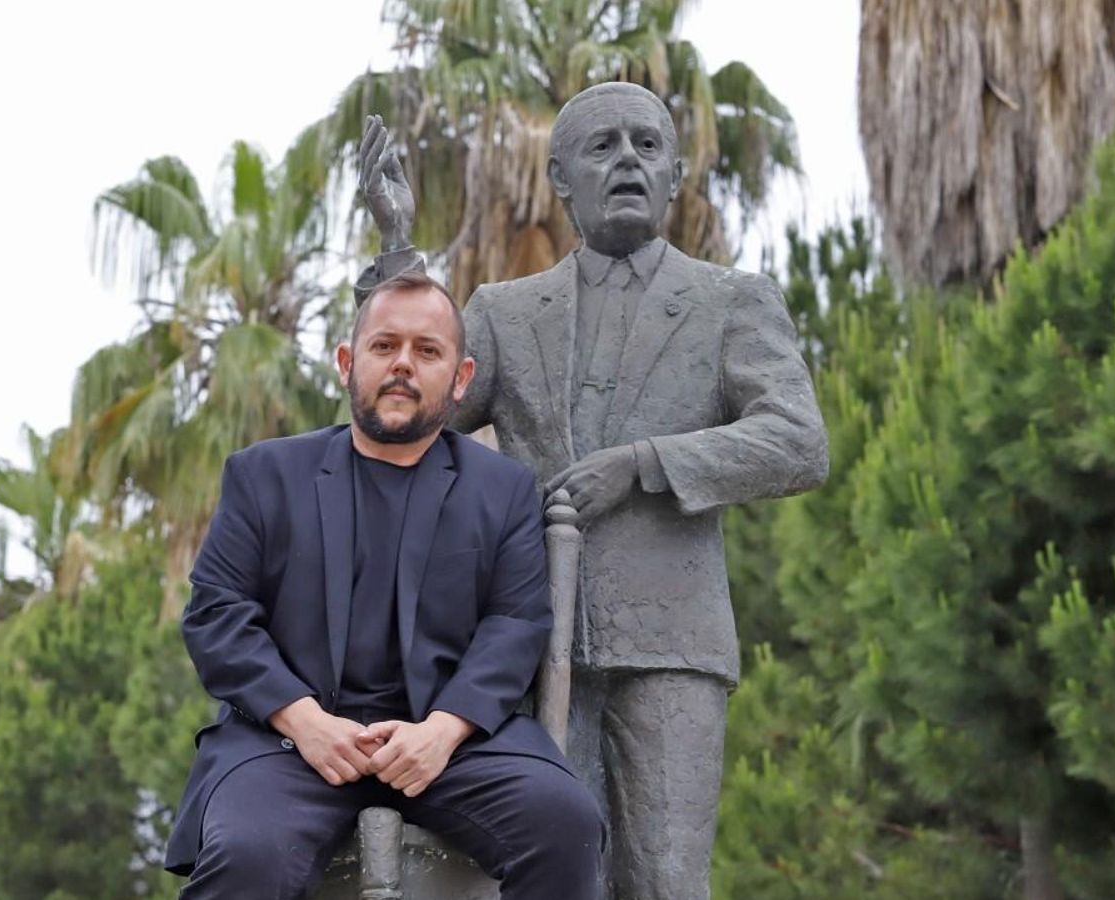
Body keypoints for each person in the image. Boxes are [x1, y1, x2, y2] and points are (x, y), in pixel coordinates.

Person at [355, 82, 829, 900]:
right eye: (602, 147)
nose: (627, 162)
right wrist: (398, 255)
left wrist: (646, 462)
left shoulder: (730, 301)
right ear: (560, 178)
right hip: (532, 644)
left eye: (648, 145)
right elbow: (399, 420)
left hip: (671, 644)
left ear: (675, 173)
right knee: (550, 874)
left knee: (665, 881)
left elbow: (798, 443)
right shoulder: (504, 312)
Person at [164, 270, 606, 899]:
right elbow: (217, 615)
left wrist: (443, 730)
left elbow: (515, 624)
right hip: (287, 743)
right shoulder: (264, 475)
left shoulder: (503, 489)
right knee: (247, 855)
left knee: (565, 824)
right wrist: (304, 721)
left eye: (427, 350)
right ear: (347, 363)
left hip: (450, 746)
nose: (403, 364)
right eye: (384, 345)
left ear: (461, 378)